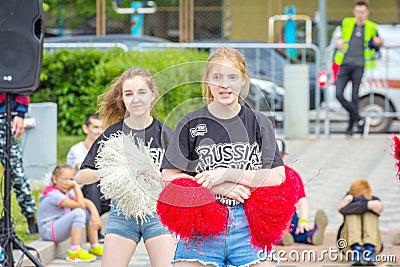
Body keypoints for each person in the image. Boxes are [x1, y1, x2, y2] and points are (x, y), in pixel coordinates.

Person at [161, 47, 287, 267]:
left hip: (248, 224)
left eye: (232, 77)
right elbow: (169, 177)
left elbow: (277, 176)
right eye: (217, 77)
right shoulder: (191, 123)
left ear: (243, 81)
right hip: (201, 225)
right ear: (207, 81)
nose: (224, 84)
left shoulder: (259, 123)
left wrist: (228, 174)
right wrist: (215, 188)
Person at [76, 67, 176, 267]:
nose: (135, 99)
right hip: (122, 213)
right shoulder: (112, 134)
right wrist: (114, 171)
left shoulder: (166, 134)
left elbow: (185, 178)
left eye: (141, 92)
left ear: (152, 96)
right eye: (129, 94)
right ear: (122, 99)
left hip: (158, 212)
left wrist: (157, 176)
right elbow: (81, 176)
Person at [334, 1, 383, 137]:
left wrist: (379, 42)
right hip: (344, 64)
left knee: (355, 96)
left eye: (363, 12)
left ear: (367, 13)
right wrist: (338, 41)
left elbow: (376, 44)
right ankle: (359, 119)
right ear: (354, 12)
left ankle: (350, 129)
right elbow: (338, 37)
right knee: (338, 94)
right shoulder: (346, 23)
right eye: (358, 12)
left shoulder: (372, 27)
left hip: (359, 65)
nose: (360, 15)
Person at [37, 164, 103, 263]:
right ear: (54, 179)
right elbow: (80, 204)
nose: (68, 183)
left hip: (57, 227)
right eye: (65, 179)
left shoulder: (66, 192)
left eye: (71, 179)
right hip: (48, 231)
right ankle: (74, 251)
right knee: (79, 213)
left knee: (87, 211)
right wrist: (75, 185)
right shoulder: (53, 194)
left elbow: (85, 202)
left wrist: (94, 212)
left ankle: (94, 247)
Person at [276, 138, 328, 246]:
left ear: (283, 156)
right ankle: (283, 236)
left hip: (287, 216)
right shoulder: (259, 174)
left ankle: (311, 235)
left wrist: (303, 220)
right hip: (270, 216)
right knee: (290, 230)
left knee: (298, 229)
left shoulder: (291, 175)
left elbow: (301, 200)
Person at [66, 113, 109, 242]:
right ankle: (96, 233)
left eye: (102, 127)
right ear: (86, 129)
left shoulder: (105, 149)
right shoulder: (77, 150)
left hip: (101, 191)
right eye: (95, 127)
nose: (99, 131)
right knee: (92, 183)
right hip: (79, 193)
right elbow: (84, 169)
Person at [0, 93, 38, 234]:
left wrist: (20, 114)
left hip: (3, 118)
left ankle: (31, 220)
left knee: (16, 174)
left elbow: (22, 80)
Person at [337, 179, 383, 266]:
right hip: (349, 247)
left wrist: (362, 204)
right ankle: (357, 248)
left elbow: (379, 208)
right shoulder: (347, 202)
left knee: (370, 213)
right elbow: (340, 208)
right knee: (352, 213)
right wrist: (365, 204)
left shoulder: (374, 200)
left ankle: (369, 248)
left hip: (374, 245)